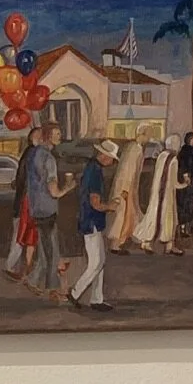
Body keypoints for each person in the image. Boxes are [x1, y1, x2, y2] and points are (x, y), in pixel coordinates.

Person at [70, 138, 118, 312]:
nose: (112, 162)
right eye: (112, 158)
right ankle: (75, 292)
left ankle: (97, 299)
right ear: (104, 156)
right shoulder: (95, 173)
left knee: (100, 261)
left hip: (90, 220)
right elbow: (95, 203)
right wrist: (111, 206)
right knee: (96, 262)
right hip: (91, 221)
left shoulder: (92, 168)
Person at [25, 122, 71, 297]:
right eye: (57, 134)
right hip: (48, 208)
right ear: (47, 136)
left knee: (45, 249)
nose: (60, 137)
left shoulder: (34, 154)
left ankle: (33, 280)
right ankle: (53, 289)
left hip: (36, 207)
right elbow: (54, 192)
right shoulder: (49, 159)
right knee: (52, 251)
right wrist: (68, 187)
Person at [134, 133, 184, 254]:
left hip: (156, 193)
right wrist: (186, 183)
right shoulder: (174, 160)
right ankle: (169, 246)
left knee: (153, 215)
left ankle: (146, 242)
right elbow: (174, 183)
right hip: (168, 195)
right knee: (169, 218)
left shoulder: (161, 156)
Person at [104, 137, 145, 252]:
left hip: (129, 188)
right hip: (127, 188)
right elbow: (128, 169)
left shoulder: (133, 147)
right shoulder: (134, 149)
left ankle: (125, 241)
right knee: (123, 215)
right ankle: (116, 244)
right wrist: (126, 189)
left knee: (129, 214)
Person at [4, 134, 37, 279]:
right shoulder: (31, 154)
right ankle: (11, 266)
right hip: (25, 203)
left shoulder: (29, 154)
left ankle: (19, 266)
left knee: (23, 235)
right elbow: (24, 180)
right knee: (20, 236)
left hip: (24, 202)